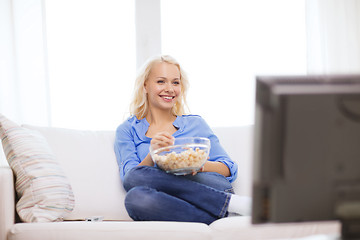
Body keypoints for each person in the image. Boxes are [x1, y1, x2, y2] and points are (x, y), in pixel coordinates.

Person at [114, 55, 251, 224]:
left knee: (138, 181)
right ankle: (225, 211)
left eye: (175, 82)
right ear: (145, 86)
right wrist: (153, 155)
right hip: (174, 201)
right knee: (135, 198)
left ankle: (229, 203)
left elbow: (230, 168)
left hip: (207, 184)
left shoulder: (195, 123)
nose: (170, 89)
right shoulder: (127, 130)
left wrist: (198, 165)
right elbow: (130, 178)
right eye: (161, 81)